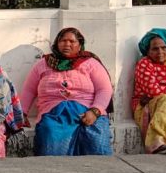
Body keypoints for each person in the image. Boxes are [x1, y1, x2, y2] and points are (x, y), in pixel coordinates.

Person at [20, 28, 113, 156]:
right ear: (57, 43)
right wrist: (22, 113)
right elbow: (29, 90)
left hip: (87, 111)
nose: (67, 44)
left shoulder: (91, 63)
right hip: (53, 114)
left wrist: (95, 111)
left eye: (72, 41)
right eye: (63, 40)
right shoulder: (43, 64)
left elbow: (104, 89)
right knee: (50, 134)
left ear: (80, 45)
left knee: (96, 140)